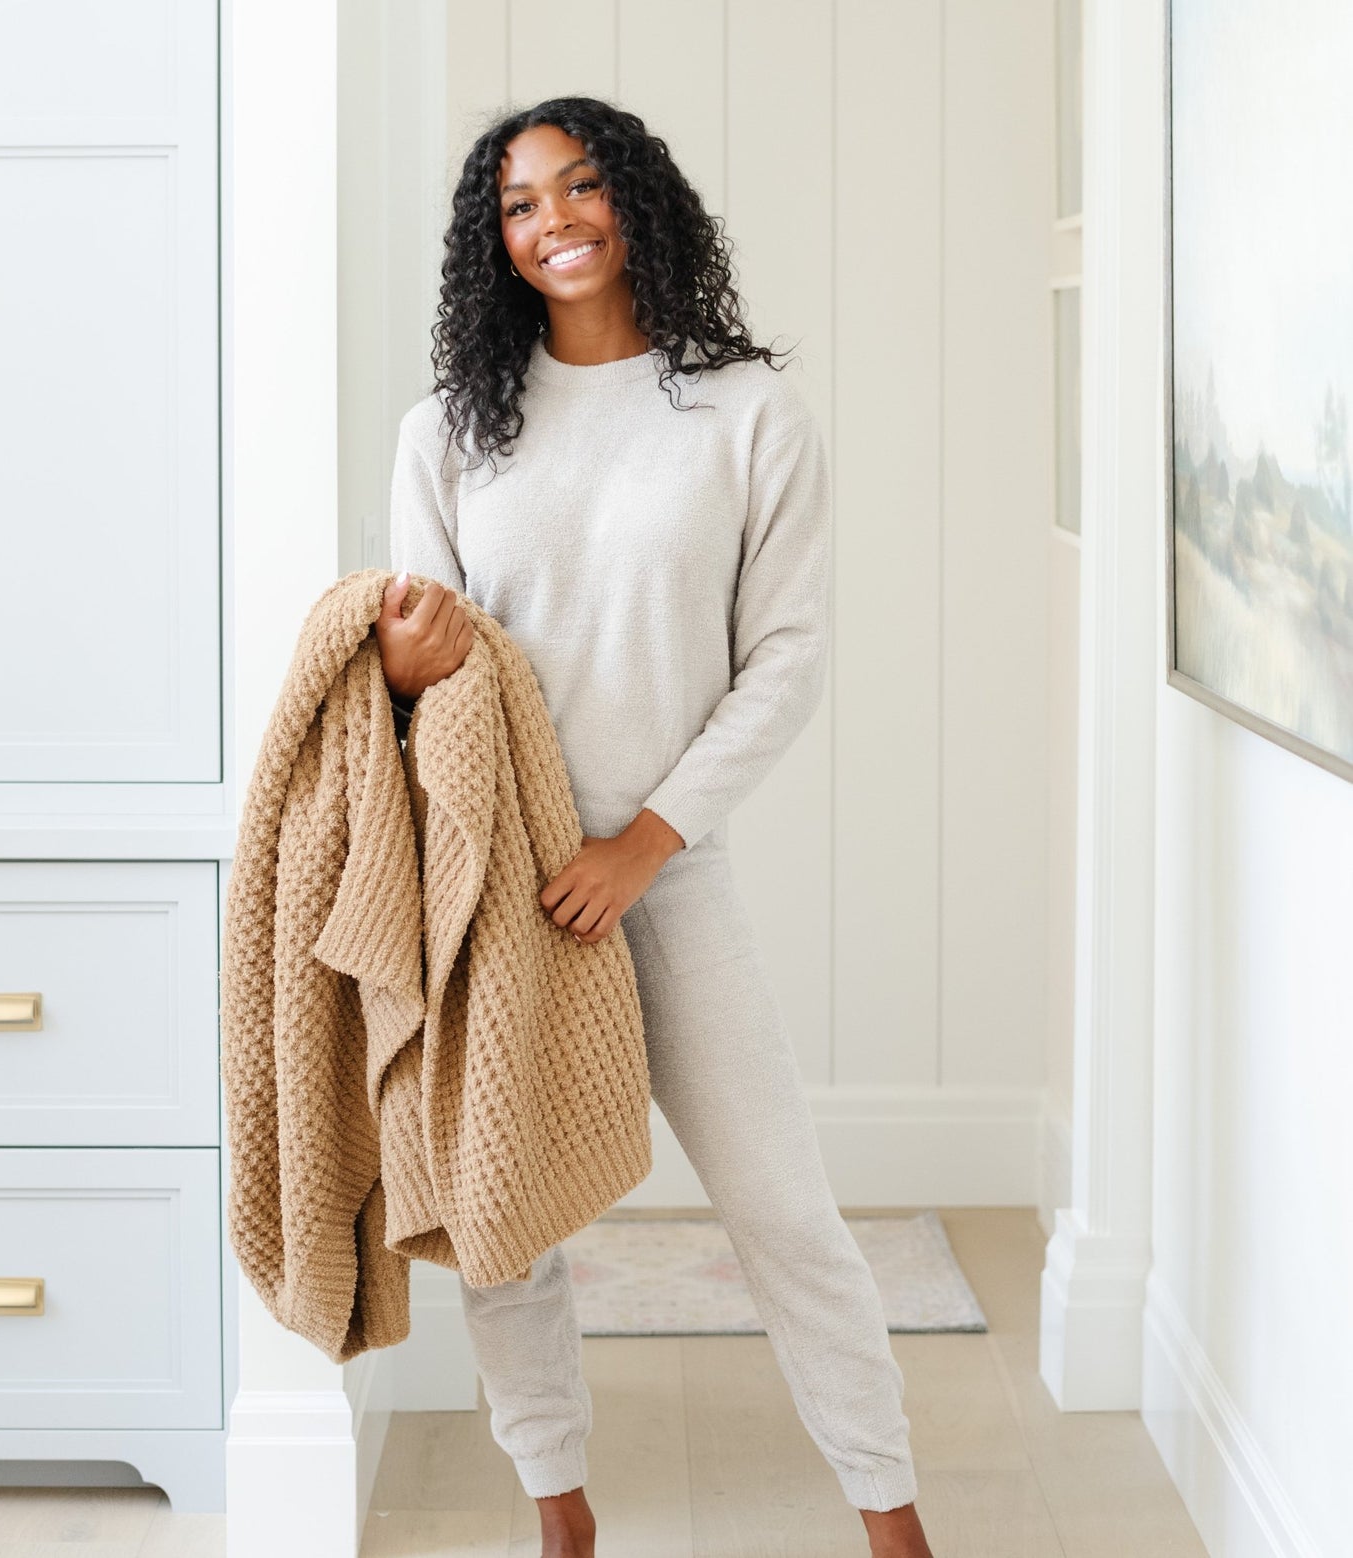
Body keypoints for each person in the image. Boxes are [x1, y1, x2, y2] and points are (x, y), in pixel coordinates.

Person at [374, 95, 935, 1558]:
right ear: (489, 242)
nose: (551, 220)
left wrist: (648, 843)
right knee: (508, 1222)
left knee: (782, 1211)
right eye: (517, 204)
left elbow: (788, 660)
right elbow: (411, 660)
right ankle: (559, 1514)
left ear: (634, 200)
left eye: (578, 187)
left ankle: (892, 1519)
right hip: (492, 884)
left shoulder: (744, 412)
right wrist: (400, 663)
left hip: (658, 872)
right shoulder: (444, 432)